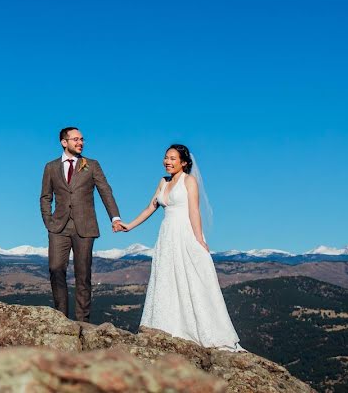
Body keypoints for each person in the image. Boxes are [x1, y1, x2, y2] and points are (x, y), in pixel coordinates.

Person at [121, 144, 243, 351]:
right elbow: (151, 206)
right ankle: (166, 325)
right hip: (166, 235)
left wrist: (199, 239)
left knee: (190, 278)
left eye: (172, 158)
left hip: (184, 232)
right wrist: (129, 226)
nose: (167, 161)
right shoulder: (163, 182)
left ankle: (200, 329)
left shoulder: (189, 181)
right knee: (167, 277)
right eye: (166, 157)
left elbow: (194, 211)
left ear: (184, 162)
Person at [40, 127, 124, 323]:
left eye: (82, 139)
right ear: (64, 142)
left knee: (83, 274)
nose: (80, 143)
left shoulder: (92, 165)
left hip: (85, 227)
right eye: (76, 139)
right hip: (58, 227)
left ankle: (82, 323)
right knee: (55, 268)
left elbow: (105, 191)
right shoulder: (51, 167)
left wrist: (115, 218)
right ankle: (61, 318)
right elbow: (45, 197)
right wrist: (48, 221)